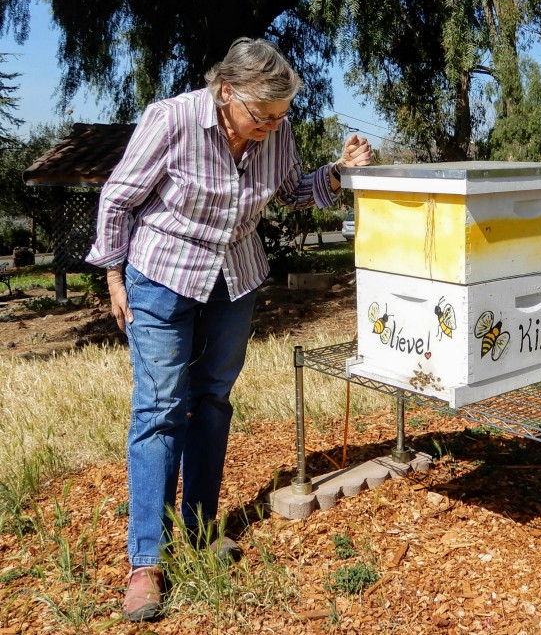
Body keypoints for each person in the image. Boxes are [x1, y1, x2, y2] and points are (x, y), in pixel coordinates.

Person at [86, 37, 372, 622]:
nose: (272, 125)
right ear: (226, 93)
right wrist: (114, 277)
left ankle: (198, 529)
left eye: (281, 115)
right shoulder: (171, 120)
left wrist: (339, 174)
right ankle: (147, 561)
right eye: (262, 115)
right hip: (162, 274)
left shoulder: (276, 131)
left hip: (233, 278)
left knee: (212, 399)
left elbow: (290, 191)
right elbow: (117, 199)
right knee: (161, 407)